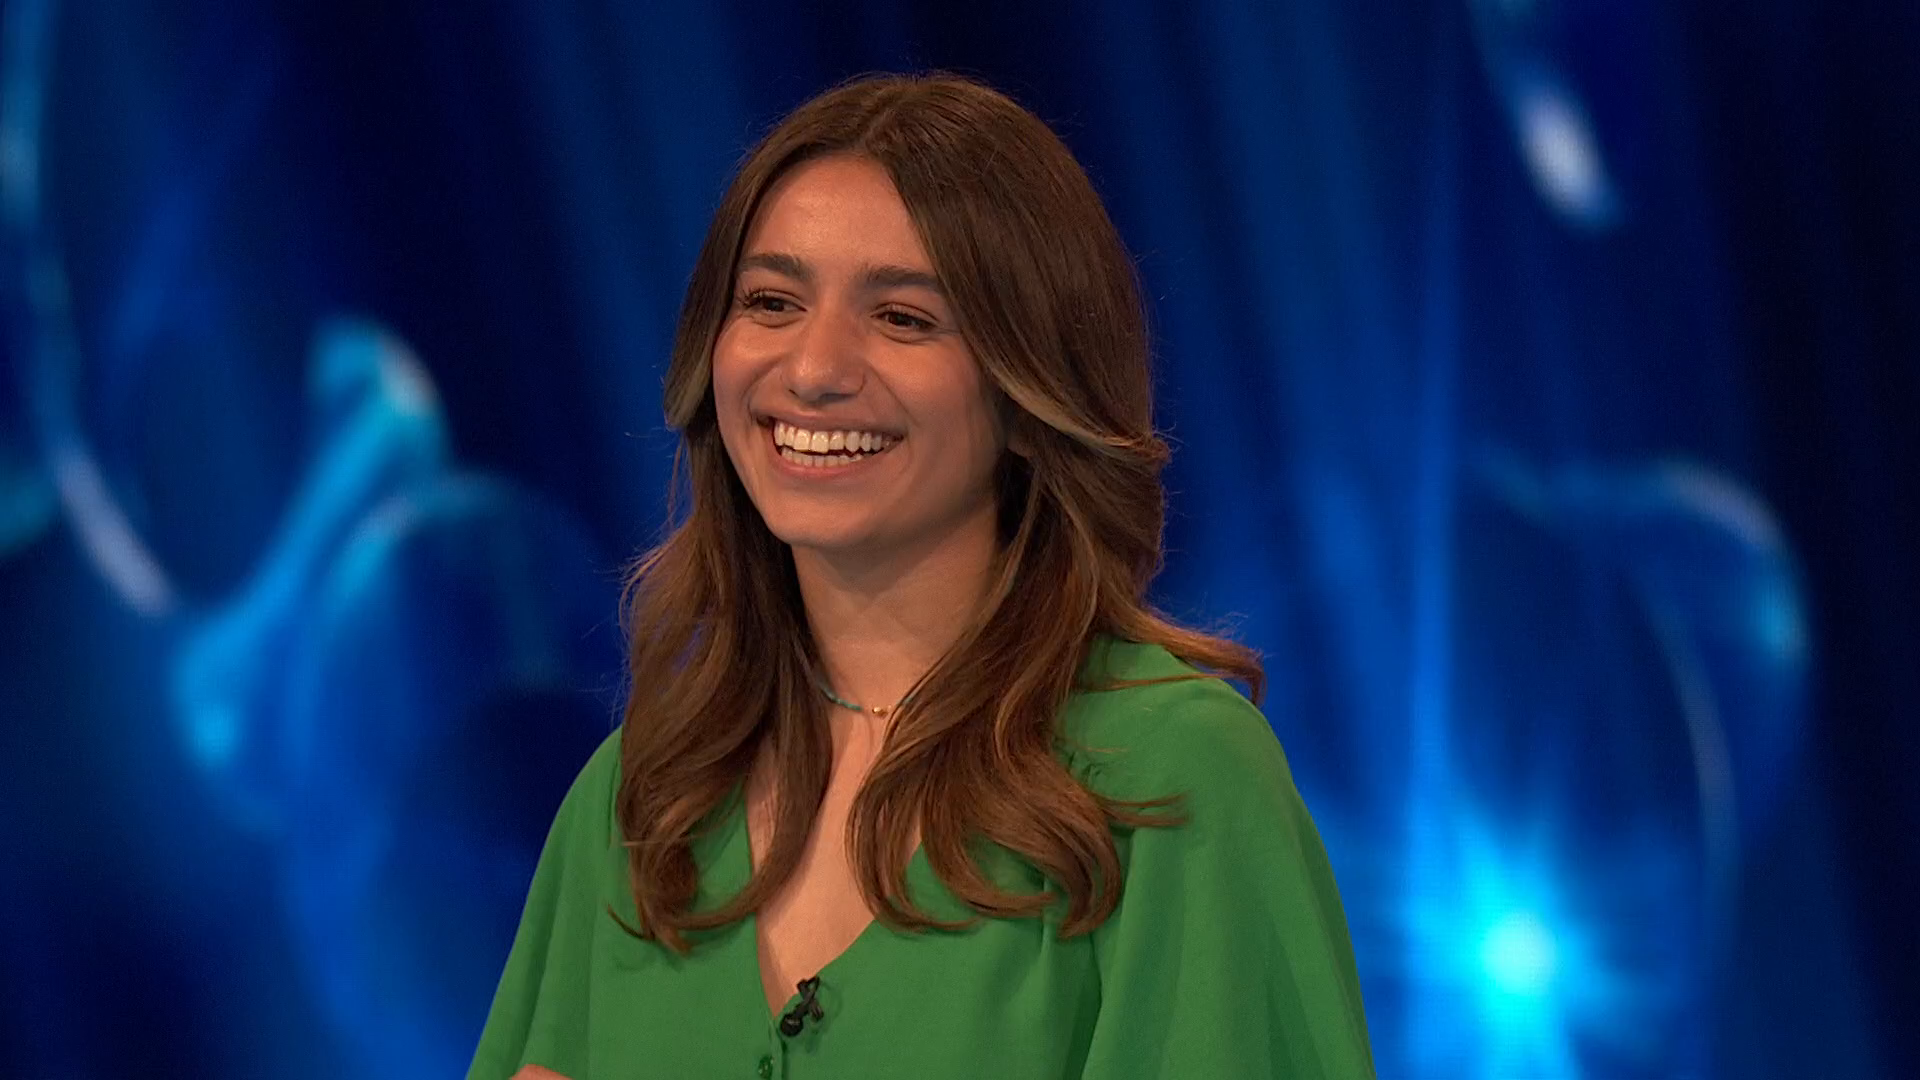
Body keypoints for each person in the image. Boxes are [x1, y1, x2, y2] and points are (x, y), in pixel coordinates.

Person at [469, 71, 1375, 1080]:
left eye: (903, 317)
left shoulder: (1170, 775)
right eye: (770, 302)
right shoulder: (642, 800)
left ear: (1030, 391)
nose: (813, 369)